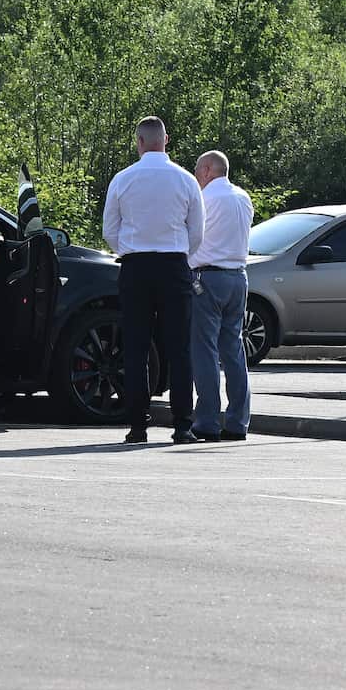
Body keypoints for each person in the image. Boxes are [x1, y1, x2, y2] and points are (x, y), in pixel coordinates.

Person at [102, 116, 205, 444]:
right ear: (166, 140)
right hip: (174, 265)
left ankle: (137, 425)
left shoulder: (123, 179)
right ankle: (183, 425)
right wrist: (179, 254)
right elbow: (197, 231)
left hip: (135, 267)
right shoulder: (186, 180)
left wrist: (130, 250)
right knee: (179, 348)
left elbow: (109, 229)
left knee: (135, 348)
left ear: (139, 142)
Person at [189, 150, 253, 442]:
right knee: (234, 351)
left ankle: (207, 421)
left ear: (207, 170)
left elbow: (192, 239)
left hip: (208, 278)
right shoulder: (243, 198)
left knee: (205, 351)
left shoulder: (205, 199)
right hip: (238, 276)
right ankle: (238, 421)